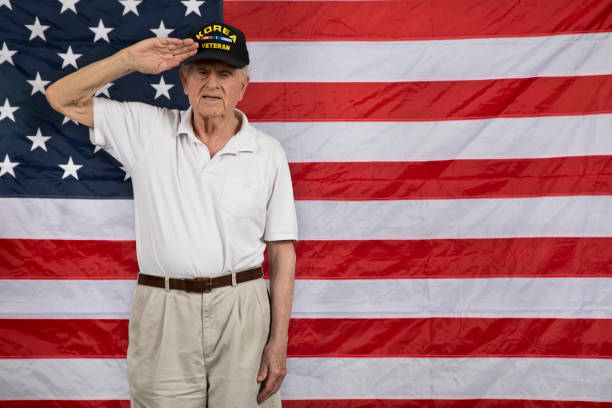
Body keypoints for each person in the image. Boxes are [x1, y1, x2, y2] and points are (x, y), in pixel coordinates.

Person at [46, 22, 298, 408]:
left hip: (243, 310)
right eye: (202, 71)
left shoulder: (268, 153)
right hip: (164, 309)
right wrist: (128, 60)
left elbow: (282, 252)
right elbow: (61, 97)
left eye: (225, 74)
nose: (211, 84)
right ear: (183, 79)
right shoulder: (148, 129)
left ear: (243, 85)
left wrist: (278, 342)